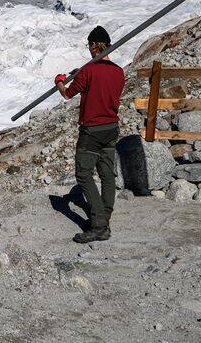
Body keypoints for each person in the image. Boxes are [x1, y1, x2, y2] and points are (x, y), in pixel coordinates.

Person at [54, 25, 124, 243]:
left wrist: (60, 81)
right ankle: (105, 214)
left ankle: (99, 225)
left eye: (89, 45)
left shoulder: (88, 71)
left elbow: (67, 93)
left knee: (84, 174)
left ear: (94, 46)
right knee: (106, 174)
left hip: (91, 131)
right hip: (111, 129)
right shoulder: (118, 72)